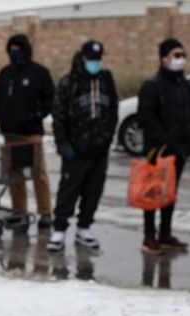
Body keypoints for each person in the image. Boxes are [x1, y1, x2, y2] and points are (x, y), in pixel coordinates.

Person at [48, 40, 118, 252]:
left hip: (99, 149)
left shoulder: (106, 80)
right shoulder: (69, 82)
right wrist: (63, 144)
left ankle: (84, 228)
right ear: (83, 58)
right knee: (69, 190)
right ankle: (59, 229)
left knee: (93, 190)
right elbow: (58, 116)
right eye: (91, 59)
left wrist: (107, 139)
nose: (95, 63)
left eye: (98, 59)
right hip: (75, 149)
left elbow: (113, 111)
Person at [136, 38, 190, 255]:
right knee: (153, 194)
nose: (180, 60)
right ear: (164, 58)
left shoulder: (185, 85)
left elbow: (189, 113)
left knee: (170, 194)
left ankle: (165, 233)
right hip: (159, 149)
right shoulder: (152, 85)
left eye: (182, 55)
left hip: (179, 149)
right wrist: (163, 140)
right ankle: (149, 236)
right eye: (176, 55)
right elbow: (146, 117)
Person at [0, 34, 55, 230]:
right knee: (14, 175)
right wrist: (1, 117)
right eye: (11, 49)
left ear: (25, 50)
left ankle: (45, 213)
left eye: (17, 49)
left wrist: (36, 115)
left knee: (38, 173)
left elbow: (50, 99)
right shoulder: (5, 73)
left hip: (31, 132)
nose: (14, 53)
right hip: (10, 133)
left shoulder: (39, 72)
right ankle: (19, 211)